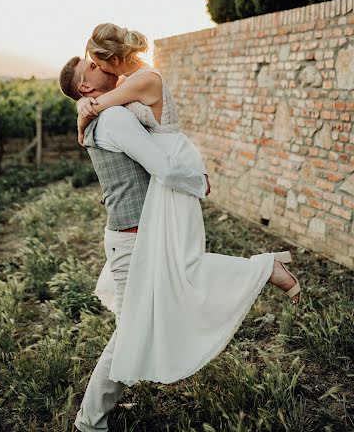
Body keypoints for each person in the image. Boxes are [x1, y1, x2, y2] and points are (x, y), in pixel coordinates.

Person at [59, 27, 301, 431]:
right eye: (91, 65)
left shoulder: (111, 109)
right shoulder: (113, 117)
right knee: (156, 307)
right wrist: (197, 181)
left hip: (139, 233)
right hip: (133, 237)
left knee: (149, 313)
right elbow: (164, 166)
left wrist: (86, 115)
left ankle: (90, 421)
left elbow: (159, 151)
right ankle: (264, 268)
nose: (98, 64)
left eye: (99, 58)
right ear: (86, 84)